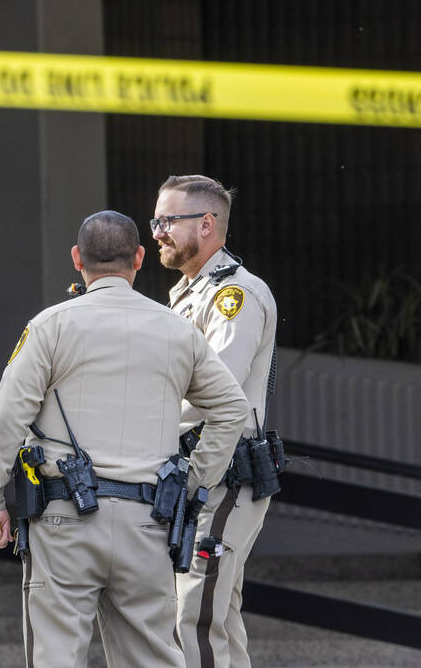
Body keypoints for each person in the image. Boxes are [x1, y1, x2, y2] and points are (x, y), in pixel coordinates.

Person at [0, 209, 249, 668]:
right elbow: (232, 409)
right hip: (149, 521)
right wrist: (194, 486)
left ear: (77, 258)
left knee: (57, 655)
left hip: (63, 523)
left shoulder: (50, 326)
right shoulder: (178, 331)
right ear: (139, 258)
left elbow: (7, 417)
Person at [152, 175, 278, 668]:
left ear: (207, 225)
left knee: (194, 618)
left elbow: (217, 390)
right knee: (216, 614)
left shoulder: (235, 295)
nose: (158, 231)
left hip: (222, 471)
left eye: (168, 220)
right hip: (201, 471)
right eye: (156, 219)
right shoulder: (185, 293)